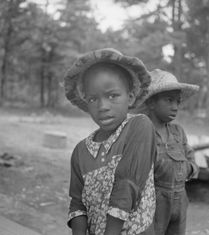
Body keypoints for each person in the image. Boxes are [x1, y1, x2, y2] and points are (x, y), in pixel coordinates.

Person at [64, 48, 157, 235]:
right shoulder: (81, 151)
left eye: (112, 96)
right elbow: (77, 204)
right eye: (93, 98)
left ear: (130, 97)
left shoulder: (139, 127)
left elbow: (127, 184)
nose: (103, 107)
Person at [140, 69, 199, 235]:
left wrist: (188, 169)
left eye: (178, 102)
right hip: (154, 201)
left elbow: (192, 162)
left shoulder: (178, 132)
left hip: (181, 199)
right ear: (151, 102)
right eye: (169, 100)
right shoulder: (143, 133)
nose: (175, 107)